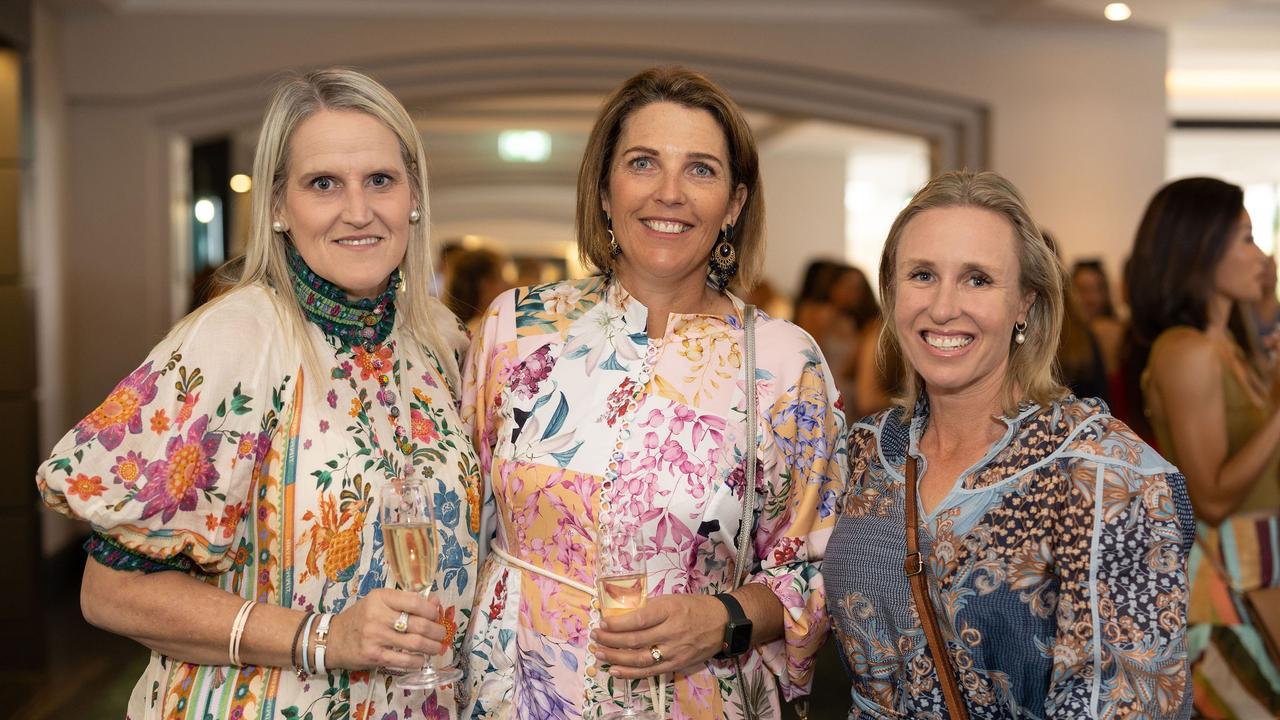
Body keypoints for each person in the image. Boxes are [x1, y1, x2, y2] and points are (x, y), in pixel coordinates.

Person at [35, 68, 479, 719]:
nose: (358, 210)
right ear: (277, 206)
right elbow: (110, 593)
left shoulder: (436, 342)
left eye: (379, 180)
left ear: (413, 194)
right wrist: (324, 638)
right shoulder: (236, 340)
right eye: (323, 183)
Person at [460, 66, 848, 719]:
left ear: (733, 203)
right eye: (644, 163)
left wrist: (723, 617)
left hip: (698, 697)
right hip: (512, 693)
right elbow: (461, 520)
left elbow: (818, 565)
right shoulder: (516, 329)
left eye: (700, 170)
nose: (669, 192)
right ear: (605, 190)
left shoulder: (783, 362)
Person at [826, 170, 1193, 718]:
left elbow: (1126, 700)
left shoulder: (1105, 474)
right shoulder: (867, 452)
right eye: (922, 274)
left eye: (977, 279)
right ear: (892, 294)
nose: (944, 307)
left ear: (1026, 302)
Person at [1127, 177, 1280, 717]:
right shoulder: (1185, 350)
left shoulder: (1226, 343)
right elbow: (1211, 497)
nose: (1260, 256)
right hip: (1224, 575)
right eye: (1244, 239)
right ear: (1200, 248)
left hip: (1257, 563)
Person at [445, 246, 511, 334]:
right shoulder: (483, 329)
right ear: (485, 284)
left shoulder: (460, 328)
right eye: (500, 277)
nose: (507, 284)